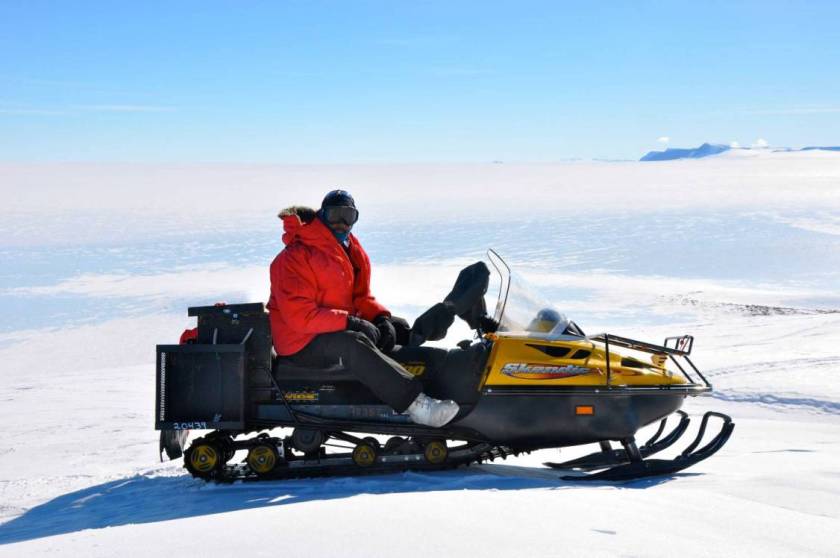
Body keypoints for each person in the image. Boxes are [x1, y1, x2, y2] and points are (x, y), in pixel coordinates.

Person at [267, 189, 460, 428]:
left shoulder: (349, 250)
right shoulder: (295, 256)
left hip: (328, 327)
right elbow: (300, 316)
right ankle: (416, 406)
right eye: (335, 215)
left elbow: (360, 297)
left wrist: (379, 318)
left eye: (348, 216)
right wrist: (350, 322)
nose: (341, 223)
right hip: (299, 341)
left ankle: (433, 375)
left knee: (396, 327)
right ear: (322, 215)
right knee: (351, 344)